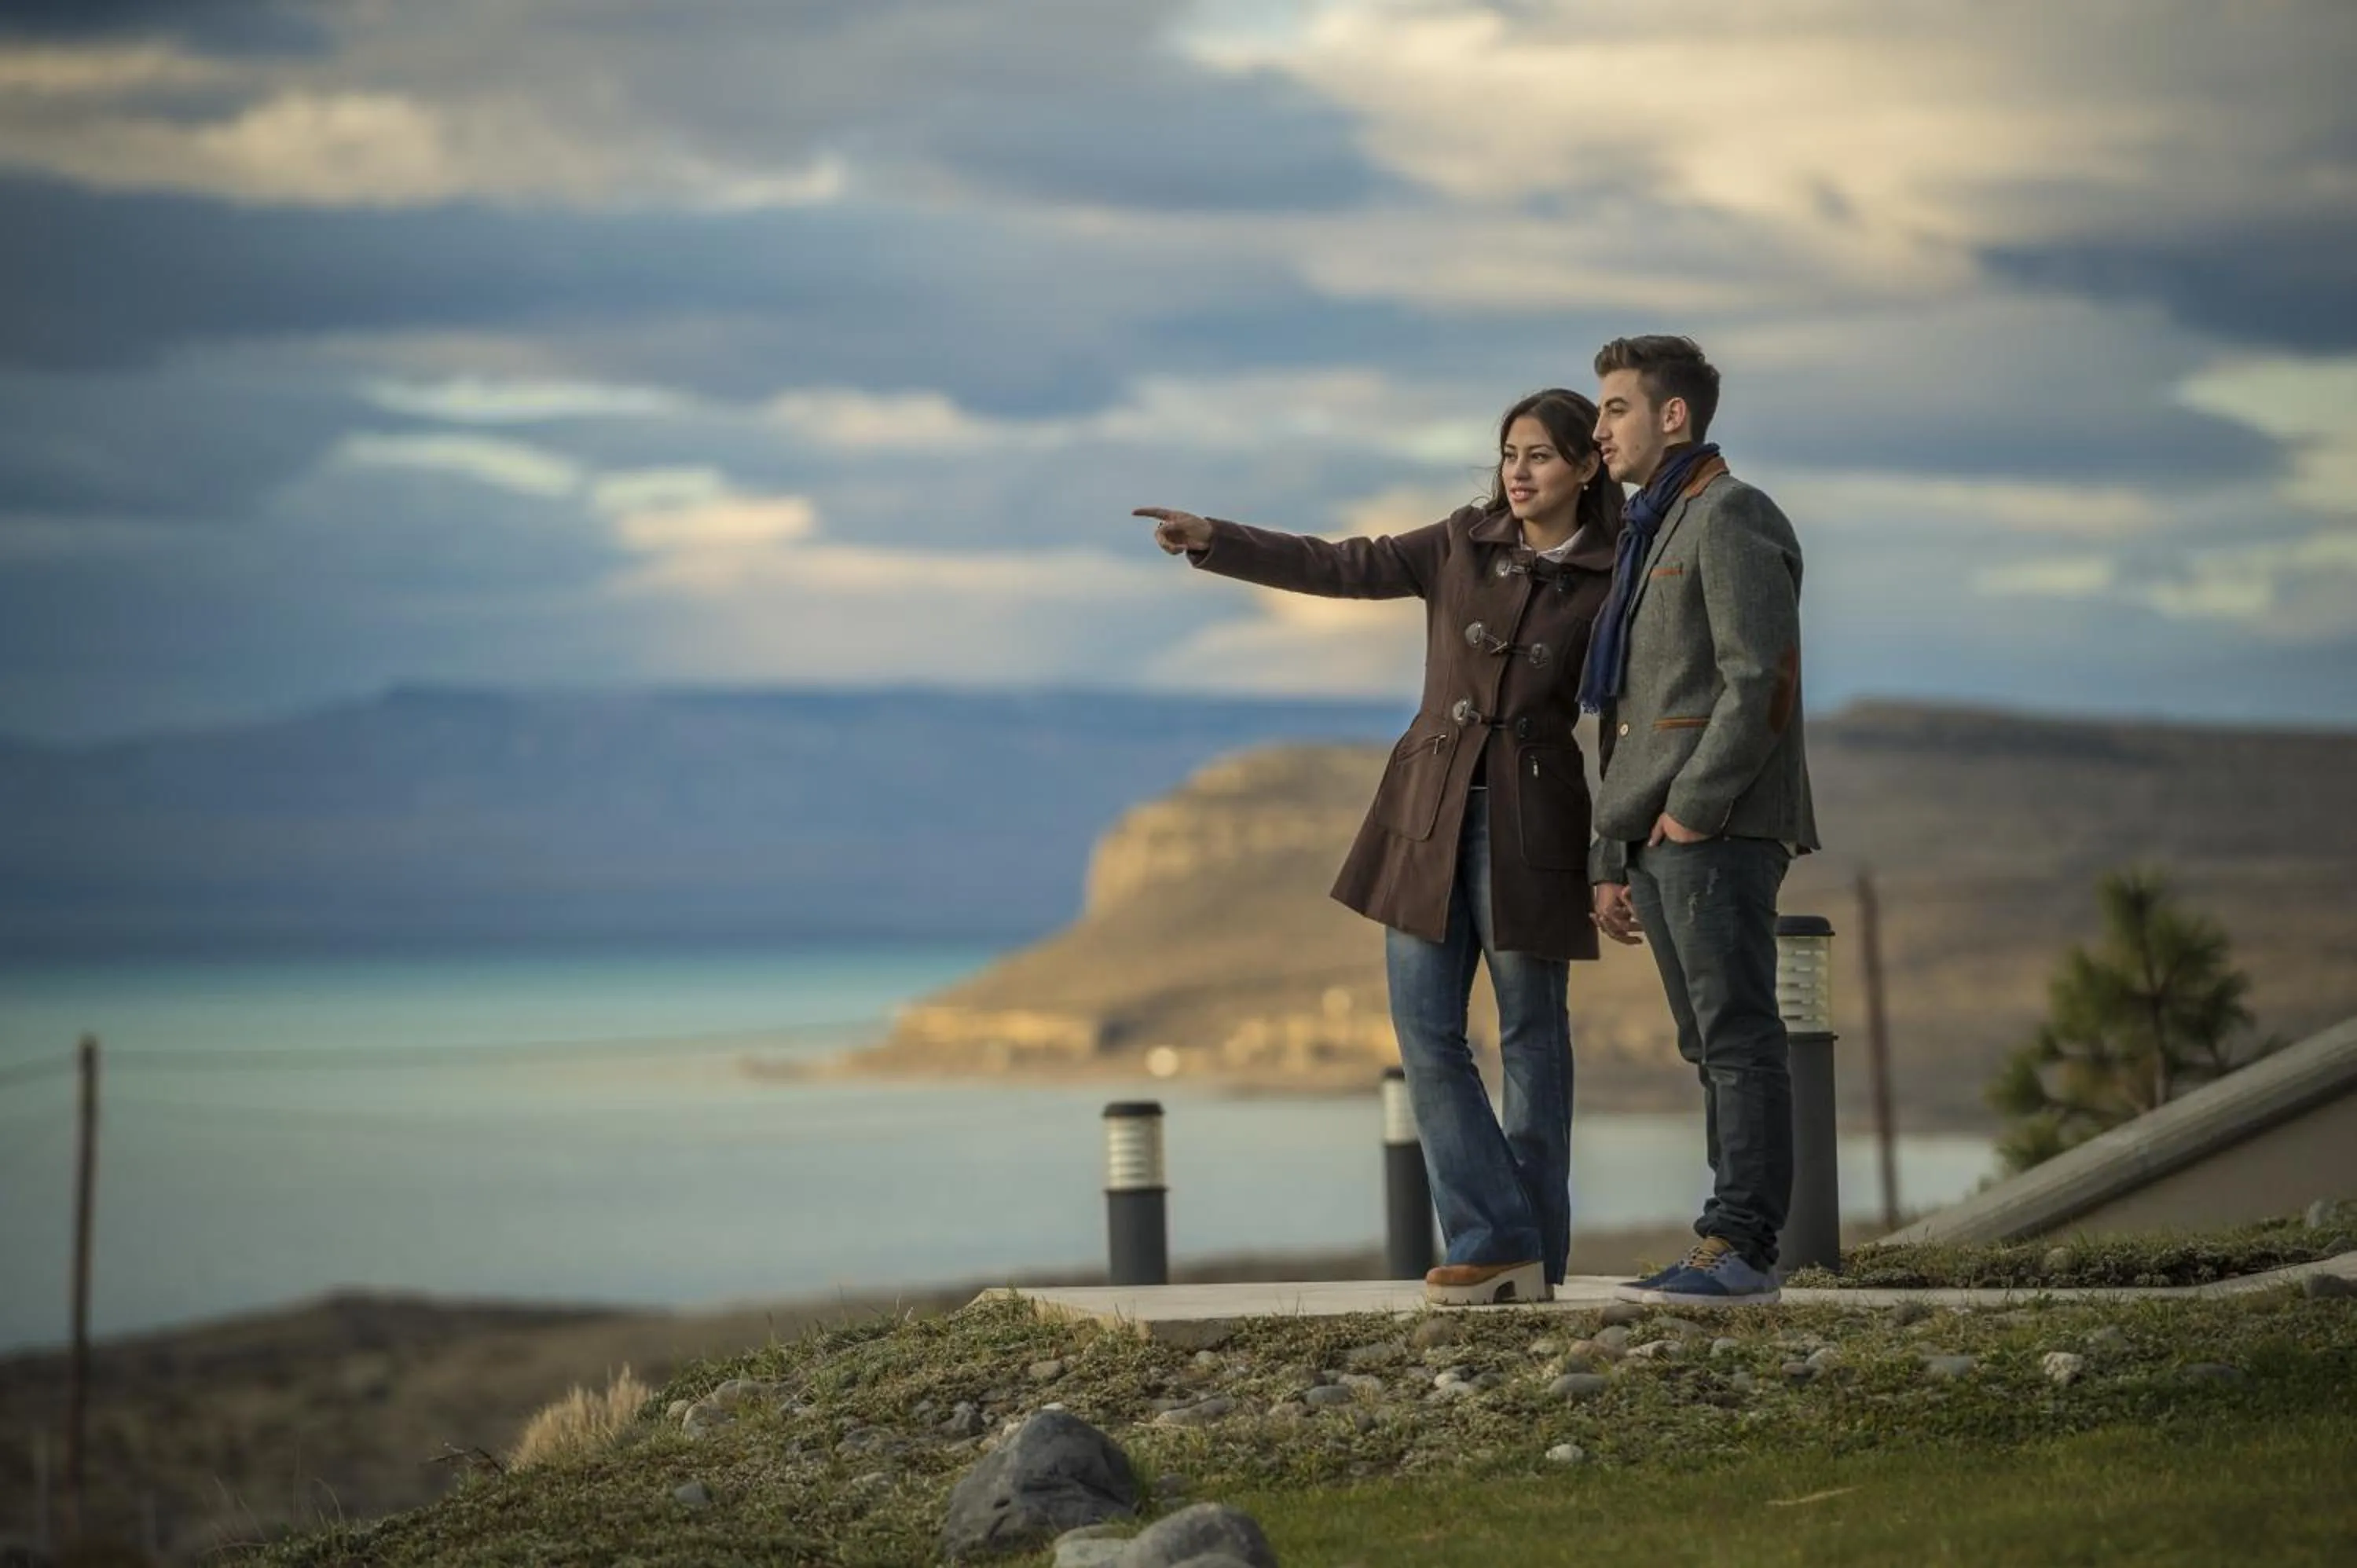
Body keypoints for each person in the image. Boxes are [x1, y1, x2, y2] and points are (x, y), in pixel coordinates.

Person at [1134, 390, 1622, 1305]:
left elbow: (1628, 723)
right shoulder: (1457, 540)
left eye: (1542, 457)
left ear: (1587, 467)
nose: (1518, 472)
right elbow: (1341, 565)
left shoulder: (1614, 571)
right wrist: (1216, 539)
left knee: (1533, 1038)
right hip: (1426, 814)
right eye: (1509, 453)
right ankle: (1494, 1238)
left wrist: (1618, 855)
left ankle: (1531, 1255)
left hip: (1537, 823)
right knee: (1427, 1032)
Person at [1583, 335, 1820, 1306]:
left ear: (1672, 415)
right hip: (1657, 834)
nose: (1597, 429)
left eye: (1614, 409)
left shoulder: (1730, 515)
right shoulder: (1650, 529)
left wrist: (1691, 808)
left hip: (1713, 826)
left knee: (1737, 1035)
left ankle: (1743, 1249)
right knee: (1707, 1043)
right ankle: (1723, 1241)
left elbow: (1759, 679)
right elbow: (1630, 711)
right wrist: (1612, 847)